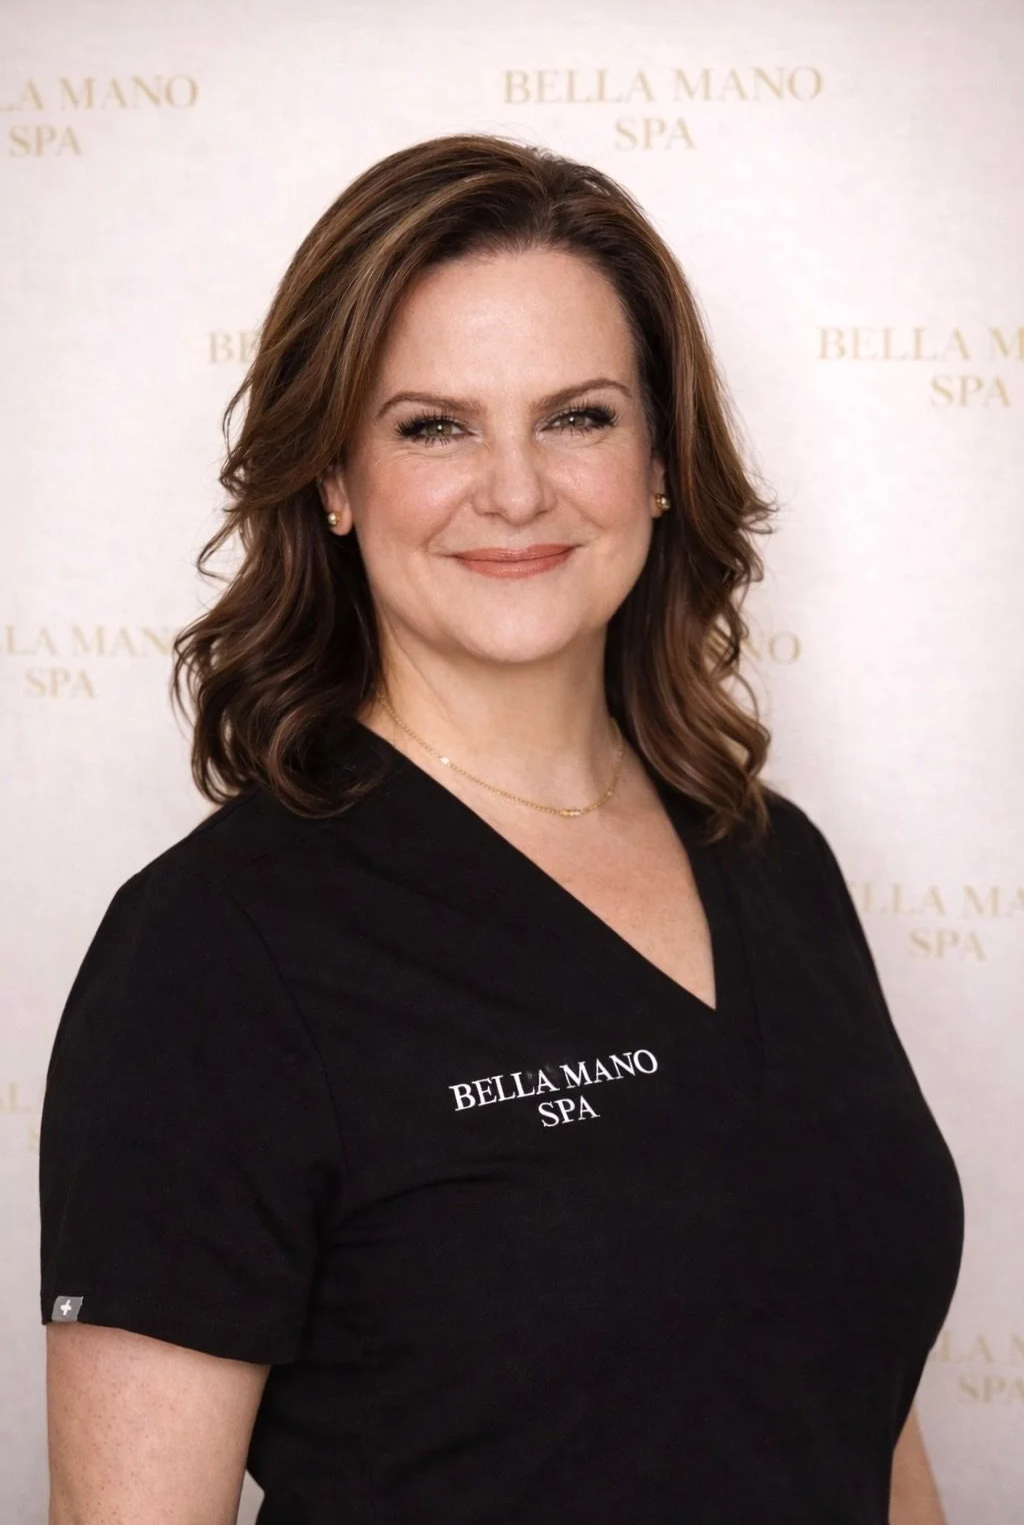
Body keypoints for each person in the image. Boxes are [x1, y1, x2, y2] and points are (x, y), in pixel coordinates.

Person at [39, 133, 964, 1525]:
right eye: (434, 425)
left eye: (579, 416)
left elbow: (857, 1410)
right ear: (335, 483)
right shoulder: (213, 951)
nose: (517, 490)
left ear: (661, 461)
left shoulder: (777, 862)